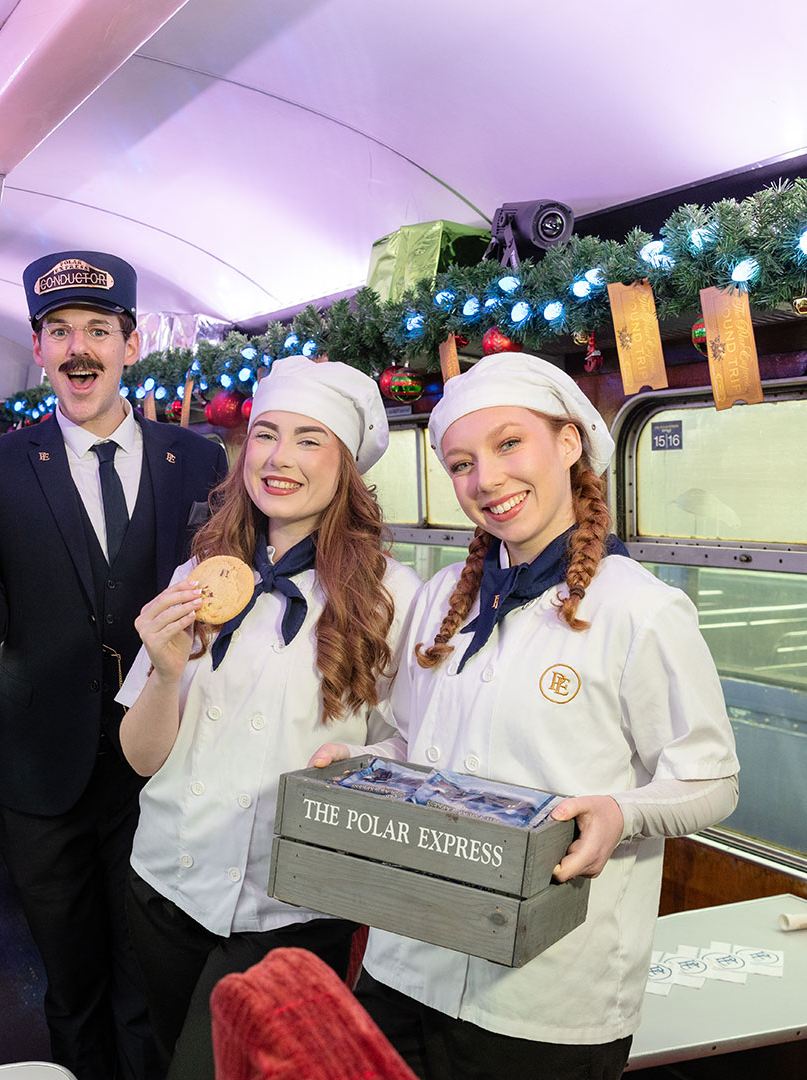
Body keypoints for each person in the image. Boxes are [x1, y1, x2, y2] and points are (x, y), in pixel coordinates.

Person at [316, 352, 739, 1080]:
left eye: (509, 444)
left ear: (568, 443)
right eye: (460, 463)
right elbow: (411, 740)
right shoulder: (445, 594)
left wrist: (619, 812)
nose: (485, 480)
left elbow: (713, 779)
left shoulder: (642, 610)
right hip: (407, 962)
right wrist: (363, 771)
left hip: (548, 995)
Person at [0, 250, 228, 1080]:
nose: (79, 348)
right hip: (38, 770)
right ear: (38, 346)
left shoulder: (200, 461)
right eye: (60, 331)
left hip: (162, 761)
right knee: (72, 984)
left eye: (98, 330)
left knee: (147, 979)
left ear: (131, 342)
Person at [115, 355, 422, 1078]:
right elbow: (140, 758)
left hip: (293, 911)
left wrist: (361, 770)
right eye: (266, 435)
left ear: (345, 467)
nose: (280, 458)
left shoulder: (396, 598)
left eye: (309, 439)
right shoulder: (194, 577)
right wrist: (162, 673)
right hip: (166, 882)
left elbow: (415, 753)